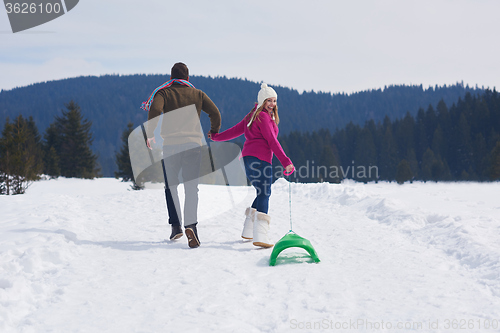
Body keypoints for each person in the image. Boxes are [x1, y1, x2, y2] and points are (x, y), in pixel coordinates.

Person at [143, 62, 221, 248]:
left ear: (171, 78)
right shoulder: (198, 94)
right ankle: (191, 226)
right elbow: (215, 113)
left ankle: (176, 226)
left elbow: (154, 109)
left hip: (171, 146)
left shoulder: (164, 93)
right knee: (191, 188)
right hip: (193, 146)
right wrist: (213, 131)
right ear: (187, 78)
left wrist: (150, 133)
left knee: (171, 186)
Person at [208, 83, 294, 248]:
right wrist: (286, 161)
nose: (272, 104)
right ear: (262, 101)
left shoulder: (253, 116)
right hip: (260, 160)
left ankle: (248, 230)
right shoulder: (263, 117)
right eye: (269, 100)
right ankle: (260, 235)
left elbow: (234, 131)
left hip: (248, 159)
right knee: (265, 193)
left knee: (262, 192)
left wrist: (216, 137)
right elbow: (272, 141)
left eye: (274, 101)